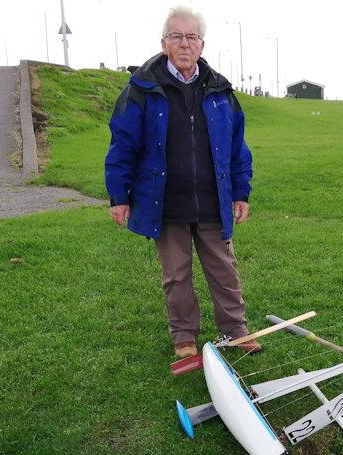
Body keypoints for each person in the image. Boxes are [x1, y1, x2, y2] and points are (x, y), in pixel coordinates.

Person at [105, 6, 260, 358]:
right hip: (165, 202)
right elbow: (122, 146)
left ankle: (236, 330)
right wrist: (119, 196)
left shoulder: (221, 91)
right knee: (176, 275)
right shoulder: (141, 90)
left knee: (224, 270)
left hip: (212, 199)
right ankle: (184, 338)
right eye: (177, 36)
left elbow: (238, 148)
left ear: (202, 45)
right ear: (164, 43)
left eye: (191, 37)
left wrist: (240, 192)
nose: (184, 44)